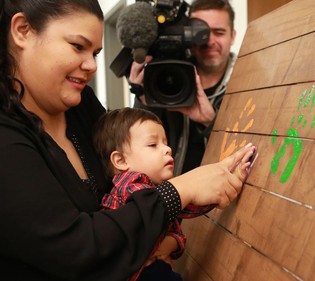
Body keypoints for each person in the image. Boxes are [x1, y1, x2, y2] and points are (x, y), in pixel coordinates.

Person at [0, 1, 256, 280]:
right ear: (22, 30)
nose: (90, 66)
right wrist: (179, 190)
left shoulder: (79, 103)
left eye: (95, 53)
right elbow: (75, 250)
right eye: (77, 46)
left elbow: (134, 170)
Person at [94, 107, 235, 281]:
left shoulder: (155, 190)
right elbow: (186, 205)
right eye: (153, 145)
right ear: (121, 161)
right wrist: (216, 190)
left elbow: (178, 231)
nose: (167, 149)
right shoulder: (131, 186)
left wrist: (168, 245)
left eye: (165, 142)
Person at [129, 0, 237, 175]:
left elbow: (252, 151)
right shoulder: (165, 74)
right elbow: (140, 150)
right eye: (200, 33)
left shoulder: (250, 81)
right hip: (174, 195)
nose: (209, 41)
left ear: (233, 35)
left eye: (219, 32)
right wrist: (143, 98)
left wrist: (211, 122)